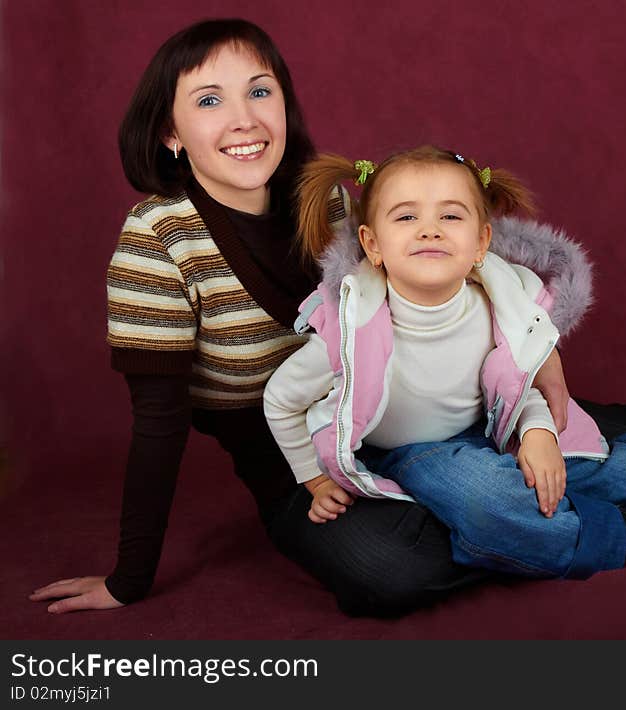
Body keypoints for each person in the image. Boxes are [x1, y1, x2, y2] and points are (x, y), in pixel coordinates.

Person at [28, 19, 578, 618]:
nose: (244, 119)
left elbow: (465, 264)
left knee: (552, 458)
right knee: (392, 574)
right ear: (170, 133)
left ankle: (526, 503)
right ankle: (507, 522)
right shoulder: (160, 239)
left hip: (416, 413)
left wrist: (543, 353)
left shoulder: (333, 205)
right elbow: (159, 423)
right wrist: (128, 579)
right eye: (209, 101)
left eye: (260, 92)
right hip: (297, 463)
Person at [264, 145, 626, 580]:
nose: (429, 230)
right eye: (405, 217)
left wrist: (538, 432)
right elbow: (281, 399)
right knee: (481, 497)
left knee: (617, 466)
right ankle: (610, 535)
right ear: (371, 245)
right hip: (410, 451)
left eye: (451, 215)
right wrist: (311, 477)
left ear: (480, 243)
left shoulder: (495, 303)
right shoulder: (349, 328)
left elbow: (515, 379)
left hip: (493, 426)